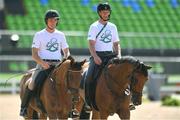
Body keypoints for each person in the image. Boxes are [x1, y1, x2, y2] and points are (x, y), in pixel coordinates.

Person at [20, 9, 70, 117]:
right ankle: (24, 107)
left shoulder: (60, 35)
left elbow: (66, 51)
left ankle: (71, 108)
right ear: (46, 21)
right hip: (43, 65)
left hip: (58, 65)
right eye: (51, 20)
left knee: (71, 82)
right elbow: (34, 54)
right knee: (32, 83)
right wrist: (42, 63)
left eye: (55, 20)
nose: (53, 22)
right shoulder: (39, 35)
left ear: (57, 21)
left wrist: (66, 60)